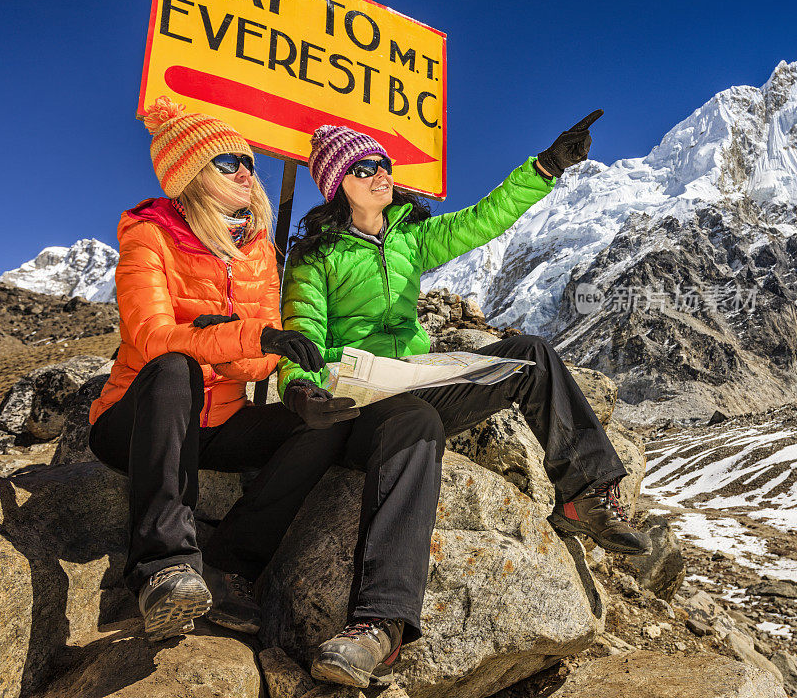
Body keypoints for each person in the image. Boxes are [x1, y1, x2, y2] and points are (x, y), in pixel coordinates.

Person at [274, 116, 653, 688]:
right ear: (337, 184)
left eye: (382, 164)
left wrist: (545, 168)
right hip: (357, 404)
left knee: (530, 353)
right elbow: (300, 332)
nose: (380, 174)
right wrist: (300, 387)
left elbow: (483, 221)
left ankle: (585, 494)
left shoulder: (410, 237)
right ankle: (379, 624)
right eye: (364, 167)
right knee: (417, 419)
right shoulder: (315, 257)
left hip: (415, 380)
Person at [87, 96, 339, 642]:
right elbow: (150, 338)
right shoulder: (148, 234)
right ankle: (164, 569)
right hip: (136, 421)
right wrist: (239, 334)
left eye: (249, 161)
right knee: (176, 367)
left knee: (322, 427)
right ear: (191, 172)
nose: (246, 171)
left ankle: (227, 565)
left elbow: (260, 356)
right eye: (229, 162)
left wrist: (262, 345)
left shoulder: (258, 249)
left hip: (219, 421)